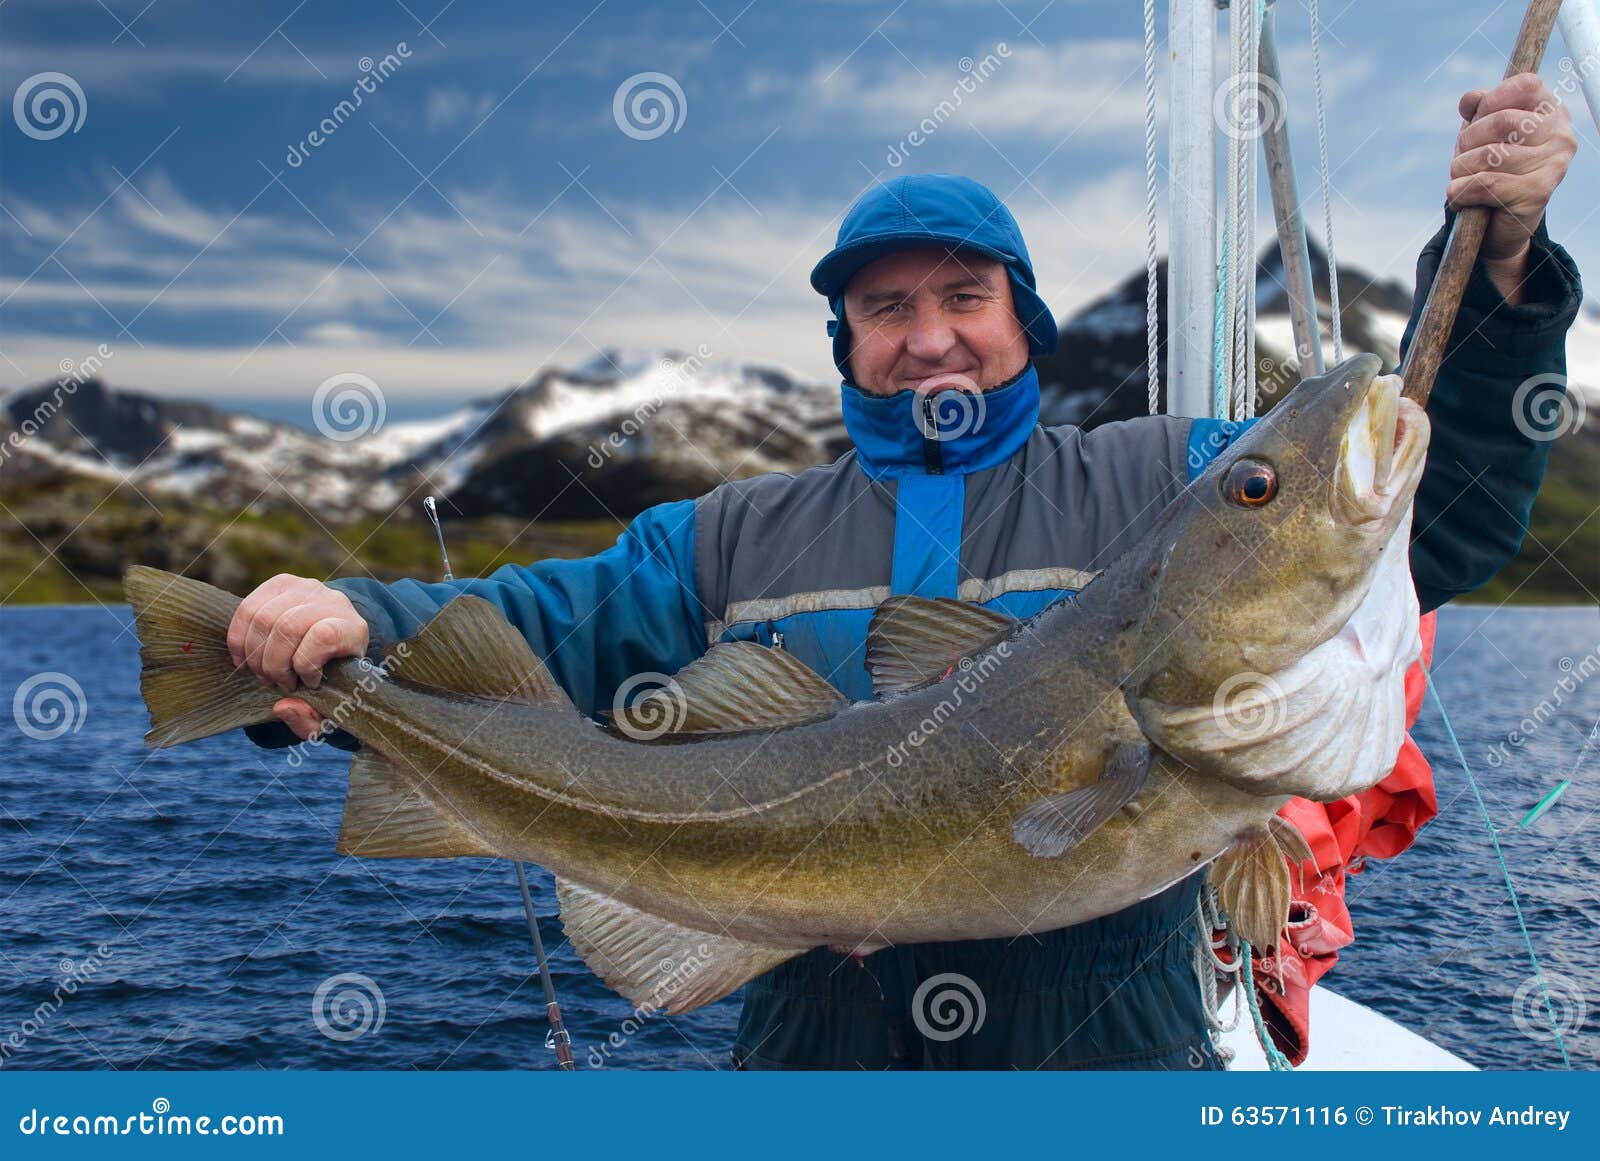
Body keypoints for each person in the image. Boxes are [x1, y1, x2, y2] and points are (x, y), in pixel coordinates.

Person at [233, 74, 1581, 1069]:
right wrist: (359, 625)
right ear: (845, 341)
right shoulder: (733, 533)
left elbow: (1430, 518)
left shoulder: (1166, 481)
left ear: (1024, 322)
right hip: (813, 1068)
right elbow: (552, 619)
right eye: (886, 307)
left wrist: (1501, 265)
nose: (929, 337)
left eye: (964, 299)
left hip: (1105, 1069)